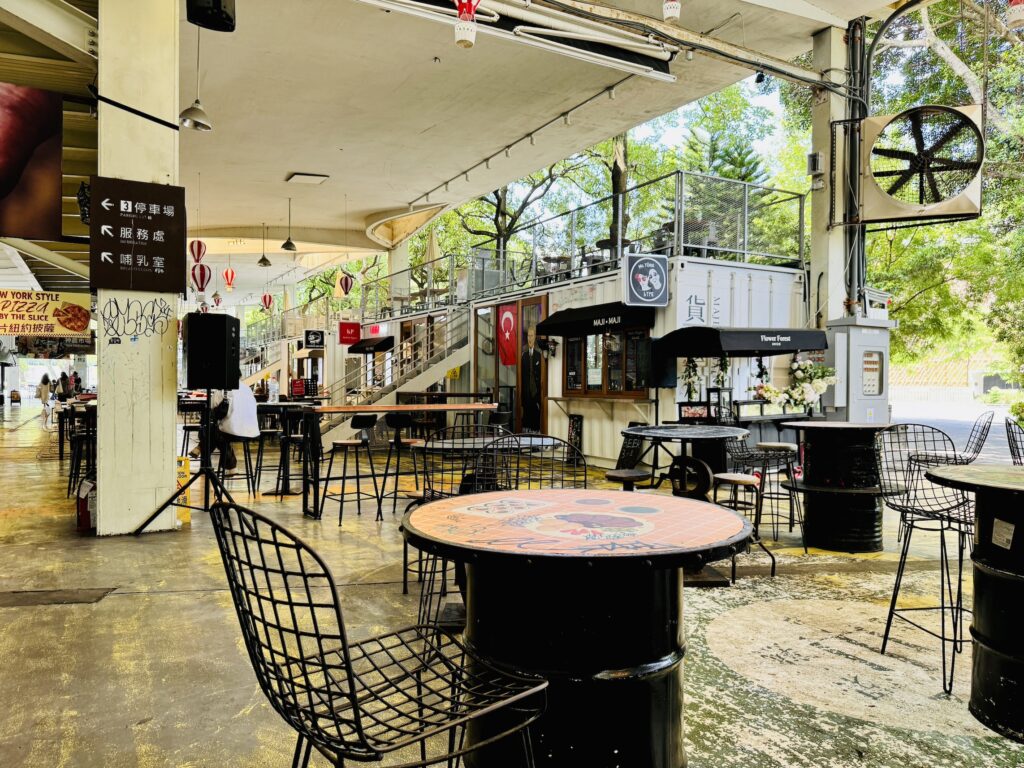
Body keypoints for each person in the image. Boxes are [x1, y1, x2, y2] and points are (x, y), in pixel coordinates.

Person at [208, 381, 260, 471]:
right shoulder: (247, 389)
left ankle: (202, 452)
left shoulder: (223, 389)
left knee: (212, 432)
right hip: (252, 432)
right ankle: (231, 467)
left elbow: (210, 405)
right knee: (216, 434)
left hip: (231, 432)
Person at [520, 325, 543, 432]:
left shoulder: (539, 355)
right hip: (526, 393)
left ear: (535, 337)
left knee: (535, 419)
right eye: (528, 336)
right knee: (526, 419)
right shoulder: (523, 356)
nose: (530, 338)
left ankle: (536, 434)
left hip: (536, 392)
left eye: (531, 336)